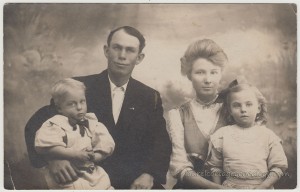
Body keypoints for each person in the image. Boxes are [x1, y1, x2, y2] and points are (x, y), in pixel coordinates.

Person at [25, 26, 172, 189]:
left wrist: (149, 174)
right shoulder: (79, 88)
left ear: (139, 57)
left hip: (133, 182)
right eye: (117, 48)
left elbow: (161, 142)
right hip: (86, 180)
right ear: (106, 51)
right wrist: (52, 159)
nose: (122, 56)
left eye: (130, 50)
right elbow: (36, 125)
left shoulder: (149, 97)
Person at [166, 39, 228, 189]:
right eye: (200, 72)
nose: (207, 79)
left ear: (220, 74)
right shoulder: (177, 115)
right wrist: (218, 189)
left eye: (214, 72)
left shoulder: (234, 109)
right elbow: (180, 167)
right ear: (189, 75)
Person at [207, 79, 288, 189]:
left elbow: (279, 166)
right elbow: (215, 166)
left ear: (258, 108)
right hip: (230, 187)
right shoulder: (222, 135)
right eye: (236, 105)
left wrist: (264, 186)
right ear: (230, 110)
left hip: (261, 187)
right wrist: (218, 188)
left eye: (249, 104)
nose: (243, 109)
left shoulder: (268, 136)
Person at [35, 78, 115, 189]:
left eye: (82, 101)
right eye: (72, 104)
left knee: (105, 185)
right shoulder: (56, 124)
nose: (79, 107)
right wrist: (74, 154)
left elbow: (107, 145)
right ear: (59, 108)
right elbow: (44, 147)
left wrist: (93, 157)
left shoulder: (92, 123)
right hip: (69, 175)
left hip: (92, 174)